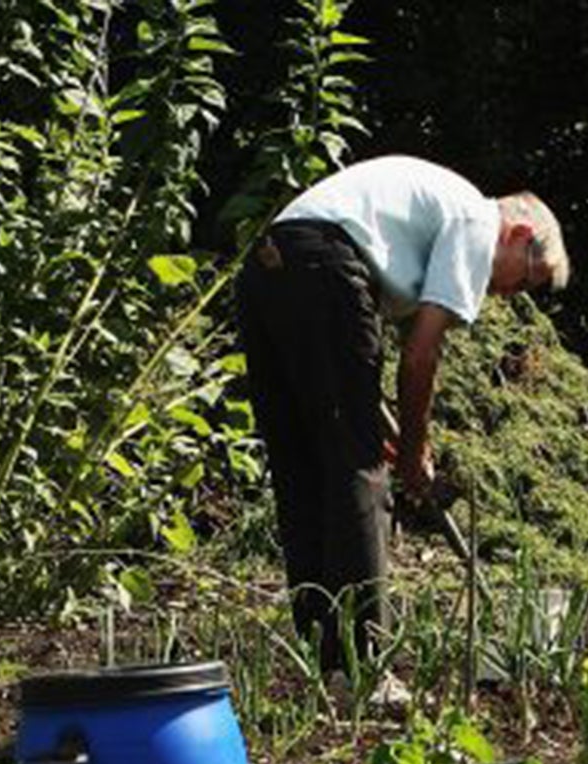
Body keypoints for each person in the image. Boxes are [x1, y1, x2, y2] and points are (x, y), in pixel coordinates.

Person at [237, 155, 570, 689]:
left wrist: (389, 425)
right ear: (519, 233)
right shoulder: (475, 221)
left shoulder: (427, 211)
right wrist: (414, 451)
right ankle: (362, 666)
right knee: (361, 473)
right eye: (524, 282)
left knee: (304, 467)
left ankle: (323, 660)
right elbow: (420, 356)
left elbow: (364, 353)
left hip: (268, 266)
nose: (508, 296)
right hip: (324, 265)